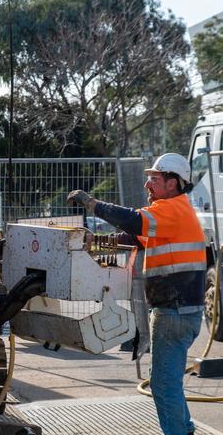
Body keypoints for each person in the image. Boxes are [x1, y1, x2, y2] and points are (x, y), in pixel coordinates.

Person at [67, 153, 205, 435]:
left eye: (154, 179)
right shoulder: (174, 212)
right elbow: (134, 238)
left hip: (174, 311)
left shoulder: (172, 209)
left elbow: (133, 221)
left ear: (173, 183)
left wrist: (92, 204)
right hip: (178, 310)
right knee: (166, 382)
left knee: (164, 385)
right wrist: (99, 241)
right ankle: (185, 429)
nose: (147, 185)